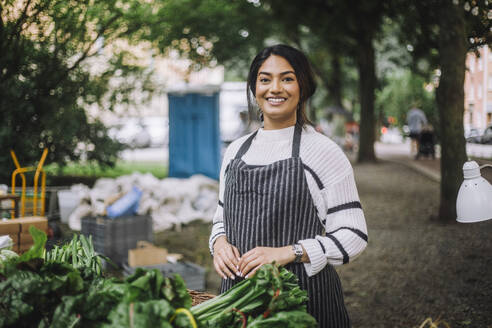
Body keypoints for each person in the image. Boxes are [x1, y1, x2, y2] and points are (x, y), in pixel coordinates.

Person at [209, 44, 368, 327]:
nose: (275, 88)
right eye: (265, 79)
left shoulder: (322, 151)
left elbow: (354, 235)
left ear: (302, 87)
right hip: (238, 303)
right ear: (254, 87)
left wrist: (289, 252)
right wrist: (219, 243)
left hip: (304, 302)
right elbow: (221, 219)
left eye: (287, 78)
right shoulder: (235, 152)